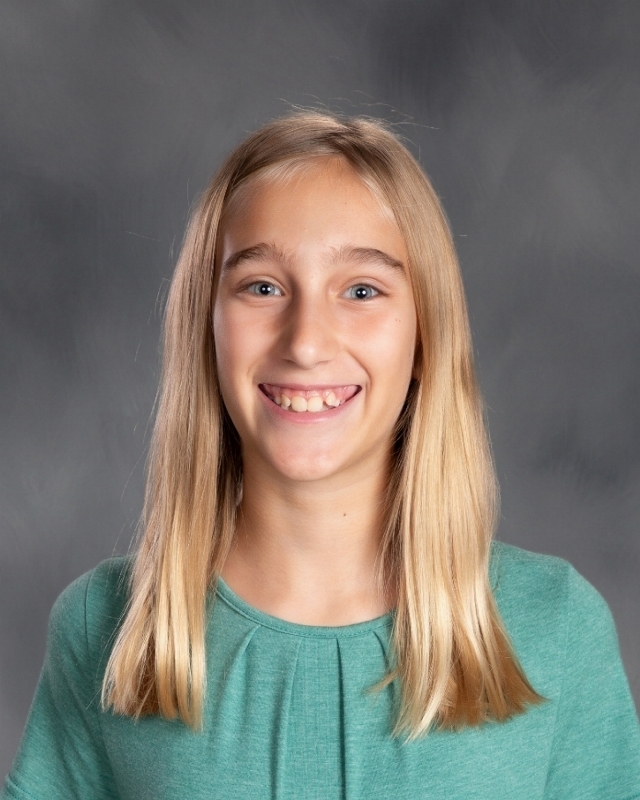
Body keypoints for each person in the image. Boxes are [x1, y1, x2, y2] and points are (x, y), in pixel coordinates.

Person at [2, 112, 639, 800]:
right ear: (204, 327)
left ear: (426, 334)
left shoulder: (556, 627)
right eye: (263, 287)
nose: (305, 342)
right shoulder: (108, 629)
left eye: (362, 290)